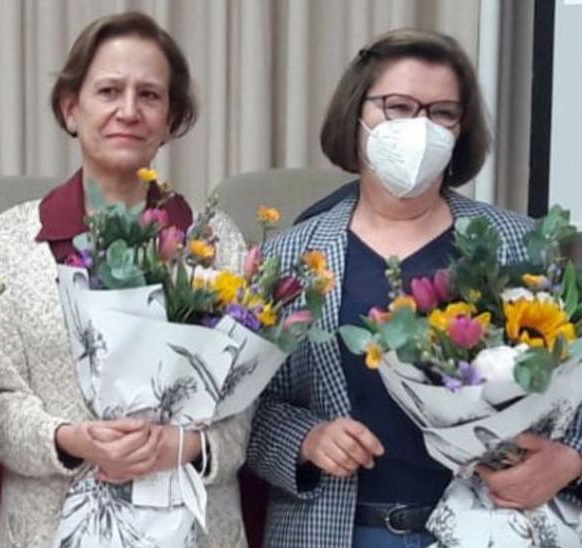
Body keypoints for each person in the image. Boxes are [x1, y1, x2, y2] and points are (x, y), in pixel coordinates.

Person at [246, 28, 582, 547]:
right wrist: (305, 439)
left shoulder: (519, 246)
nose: (420, 128)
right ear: (356, 115)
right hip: (332, 531)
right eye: (398, 107)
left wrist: (572, 461)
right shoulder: (289, 256)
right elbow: (245, 408)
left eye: (442, 112)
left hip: (493, 526)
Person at [0, 12, 250, 548]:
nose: (129, 110)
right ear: (70, 108)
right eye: (109, 90)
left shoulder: (216, 242)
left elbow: (245, 408)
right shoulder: (11, 238)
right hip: (45, 527)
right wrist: (72, 438)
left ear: (171, 118)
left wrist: (183, 445)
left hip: (191, 526)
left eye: (149, 94)